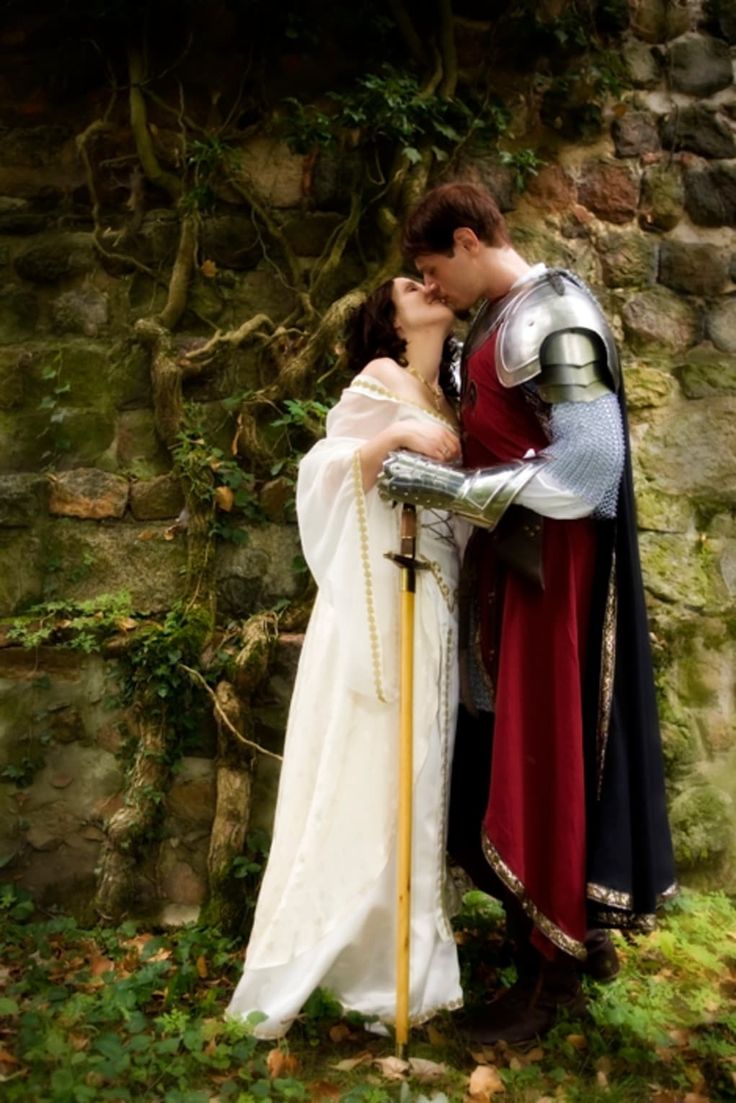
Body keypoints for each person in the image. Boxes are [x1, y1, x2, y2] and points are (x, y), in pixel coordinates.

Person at [378, 181, 677, 1045]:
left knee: (542, 758)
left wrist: (443, 485)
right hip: (507, 571)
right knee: (489, 760)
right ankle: (553, 937)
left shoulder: (553, 316)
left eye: (436, 269)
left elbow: (588, 472)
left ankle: (551, 971)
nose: (433, 288)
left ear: (469, 240)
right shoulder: (494, 319)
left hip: (552, 576)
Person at [226, 277, 468, 1038]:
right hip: (377, 599)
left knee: (421, 770)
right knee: (367, 767)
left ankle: (404, 961)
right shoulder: (383, 379)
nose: (427, 286)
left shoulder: (448, 395)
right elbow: (325, 470)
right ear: (387, 319)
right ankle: (336, 957)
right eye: (408, 285)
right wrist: (394, 438)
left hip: (432, 598)